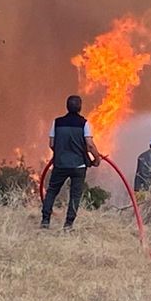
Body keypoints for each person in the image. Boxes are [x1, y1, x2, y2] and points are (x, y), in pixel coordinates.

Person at [42, 93, 102, 231]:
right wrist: (96, 159)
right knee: (75, 195)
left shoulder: (57, 122)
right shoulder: (84, 123)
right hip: (78, 166)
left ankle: (45, 220)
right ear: (80, 107)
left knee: (52, 191)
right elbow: (90, 144)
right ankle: (68, 224)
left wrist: (61, 153)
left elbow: (51, 144)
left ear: (67, 107)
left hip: (60, 164)